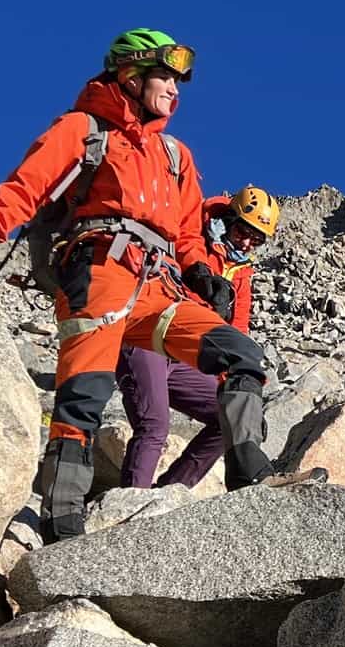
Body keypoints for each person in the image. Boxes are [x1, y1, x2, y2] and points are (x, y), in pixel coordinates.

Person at [0, 29, 307, 541]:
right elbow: (25, 188)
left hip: (158, 287)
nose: (176, 91)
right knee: (84, 397)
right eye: (166, 78)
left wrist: (198, 268)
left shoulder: (174, 157)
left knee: (241, 353)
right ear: (131, 75)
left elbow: (188, 230)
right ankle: (62, 521)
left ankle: (247, 475)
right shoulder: (83, 130)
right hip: (98, 273)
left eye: (180, 82)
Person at [115, 186, 280, 490]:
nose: (246, 242)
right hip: (147, 337)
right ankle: (128, 508)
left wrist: (243, 404)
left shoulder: (242, 273)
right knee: (154, 425)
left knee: (228, 420)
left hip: (186, 357)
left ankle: (167, 497)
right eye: (243, 230)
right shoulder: (194, 231)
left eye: (256, 239)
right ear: (230, 218)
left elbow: (237, 333)